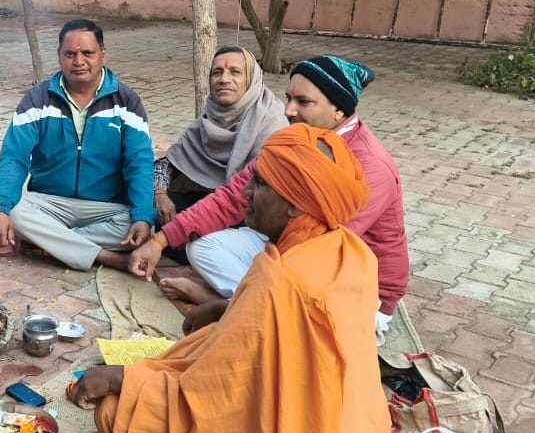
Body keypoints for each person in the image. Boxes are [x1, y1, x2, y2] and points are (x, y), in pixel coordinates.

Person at [72, 124, 393, 433]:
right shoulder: (350, 253)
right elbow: (266, 345)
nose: (247, 188)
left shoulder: (278, 283)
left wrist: (118, 376)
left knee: (116, 416)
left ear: (294, 205)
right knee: (175, 361)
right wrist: (222, 308)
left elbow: (209, 397)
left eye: (261, 183)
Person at [132, 55, 408, 337]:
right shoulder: (298, 139)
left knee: (298, 335)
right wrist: (160, 241)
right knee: (201, 245)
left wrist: (269, 272)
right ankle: (248, 301)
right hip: (294, 244)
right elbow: (232, 196)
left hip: (353, 284)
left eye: (303, 102)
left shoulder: (371, 166)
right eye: (288, 98)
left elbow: (327, 249)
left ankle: (233, 305)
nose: (288, 110)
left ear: (339, 111)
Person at [0, 19, 154, 271]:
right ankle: (104, 257)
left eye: (88, 53)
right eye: (70, 54)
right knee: (17, 214)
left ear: (103, 55)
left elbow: (139, 163)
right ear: (59, 56)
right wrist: (0, 208)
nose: (78, 62)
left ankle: (53, 242)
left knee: (141, 225)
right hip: (50, 202)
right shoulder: (37, 100)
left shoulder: (126, 102)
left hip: (106, 207)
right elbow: (14, 156)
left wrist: (142, 216)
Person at [153, 45, 287, 226]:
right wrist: (159, 194)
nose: (224, 79)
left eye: (235, 72)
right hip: (208, 204)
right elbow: (167, 163)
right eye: (217, 73)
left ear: (252, 79)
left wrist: (193, 221)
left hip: (251, 213)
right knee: (143, 207)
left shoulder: (272, 122)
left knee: (185, 237)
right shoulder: (209, 117)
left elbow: (260, 192)